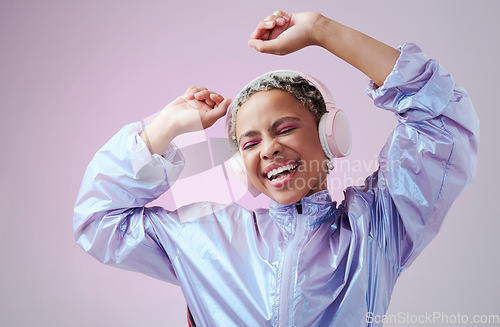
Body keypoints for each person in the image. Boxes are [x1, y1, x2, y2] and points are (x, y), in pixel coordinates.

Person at [73, 10, 479, 326]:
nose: (268, 149)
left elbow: (441, 117)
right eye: (250, 143)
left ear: (330, 134)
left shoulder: (377, 228)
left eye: (285, 129)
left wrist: (321, 30)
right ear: (242, 164)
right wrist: (167, 126)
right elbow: (98, 219)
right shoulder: (203, 237)